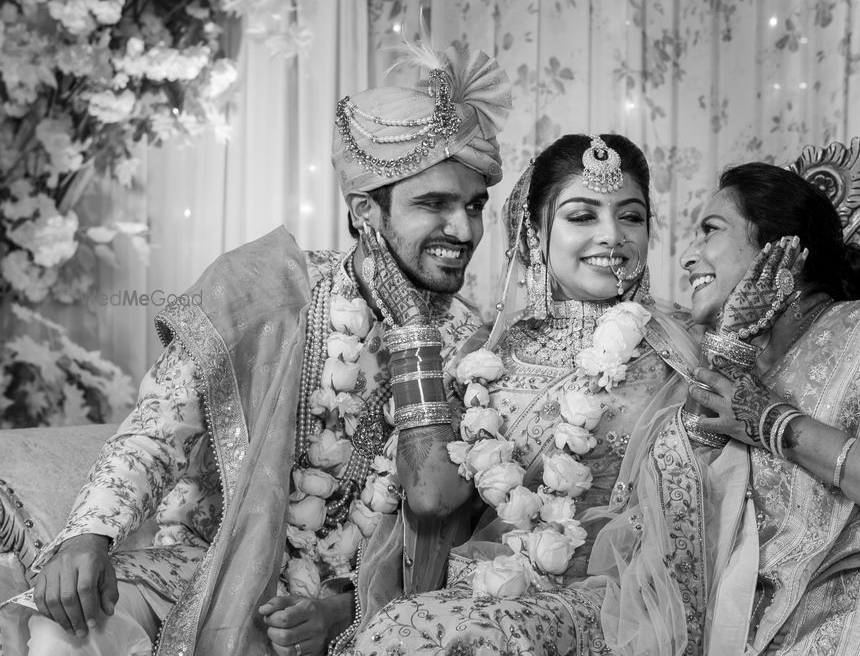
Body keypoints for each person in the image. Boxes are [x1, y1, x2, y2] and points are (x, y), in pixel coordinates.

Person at [0, 44, 511, 656]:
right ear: (365, 210)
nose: (464, 230)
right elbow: (156, 432)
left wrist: (341, 605)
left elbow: (443, 530)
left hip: (341, 615)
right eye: (434, 204)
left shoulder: (475, 352)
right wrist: (88, 534)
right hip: (198, 571)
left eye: (475, 205)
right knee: (61, 630)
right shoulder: (266, 290)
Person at [598, 160, 860, 654]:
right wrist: (730, 351)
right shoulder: (716, 361)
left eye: (710, 231)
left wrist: (776, 424)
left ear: (780, 251)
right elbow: (671, 532)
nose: (689, 256)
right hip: (759, 619)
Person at [345, 133, 713, 655]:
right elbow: (431, 499)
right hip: (475, 595)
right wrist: (412, 326)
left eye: (630, 216)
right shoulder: (484, 353)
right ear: (535, 233)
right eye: (583, 216)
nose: (612, 236)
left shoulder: (684, 352)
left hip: (619, 609)